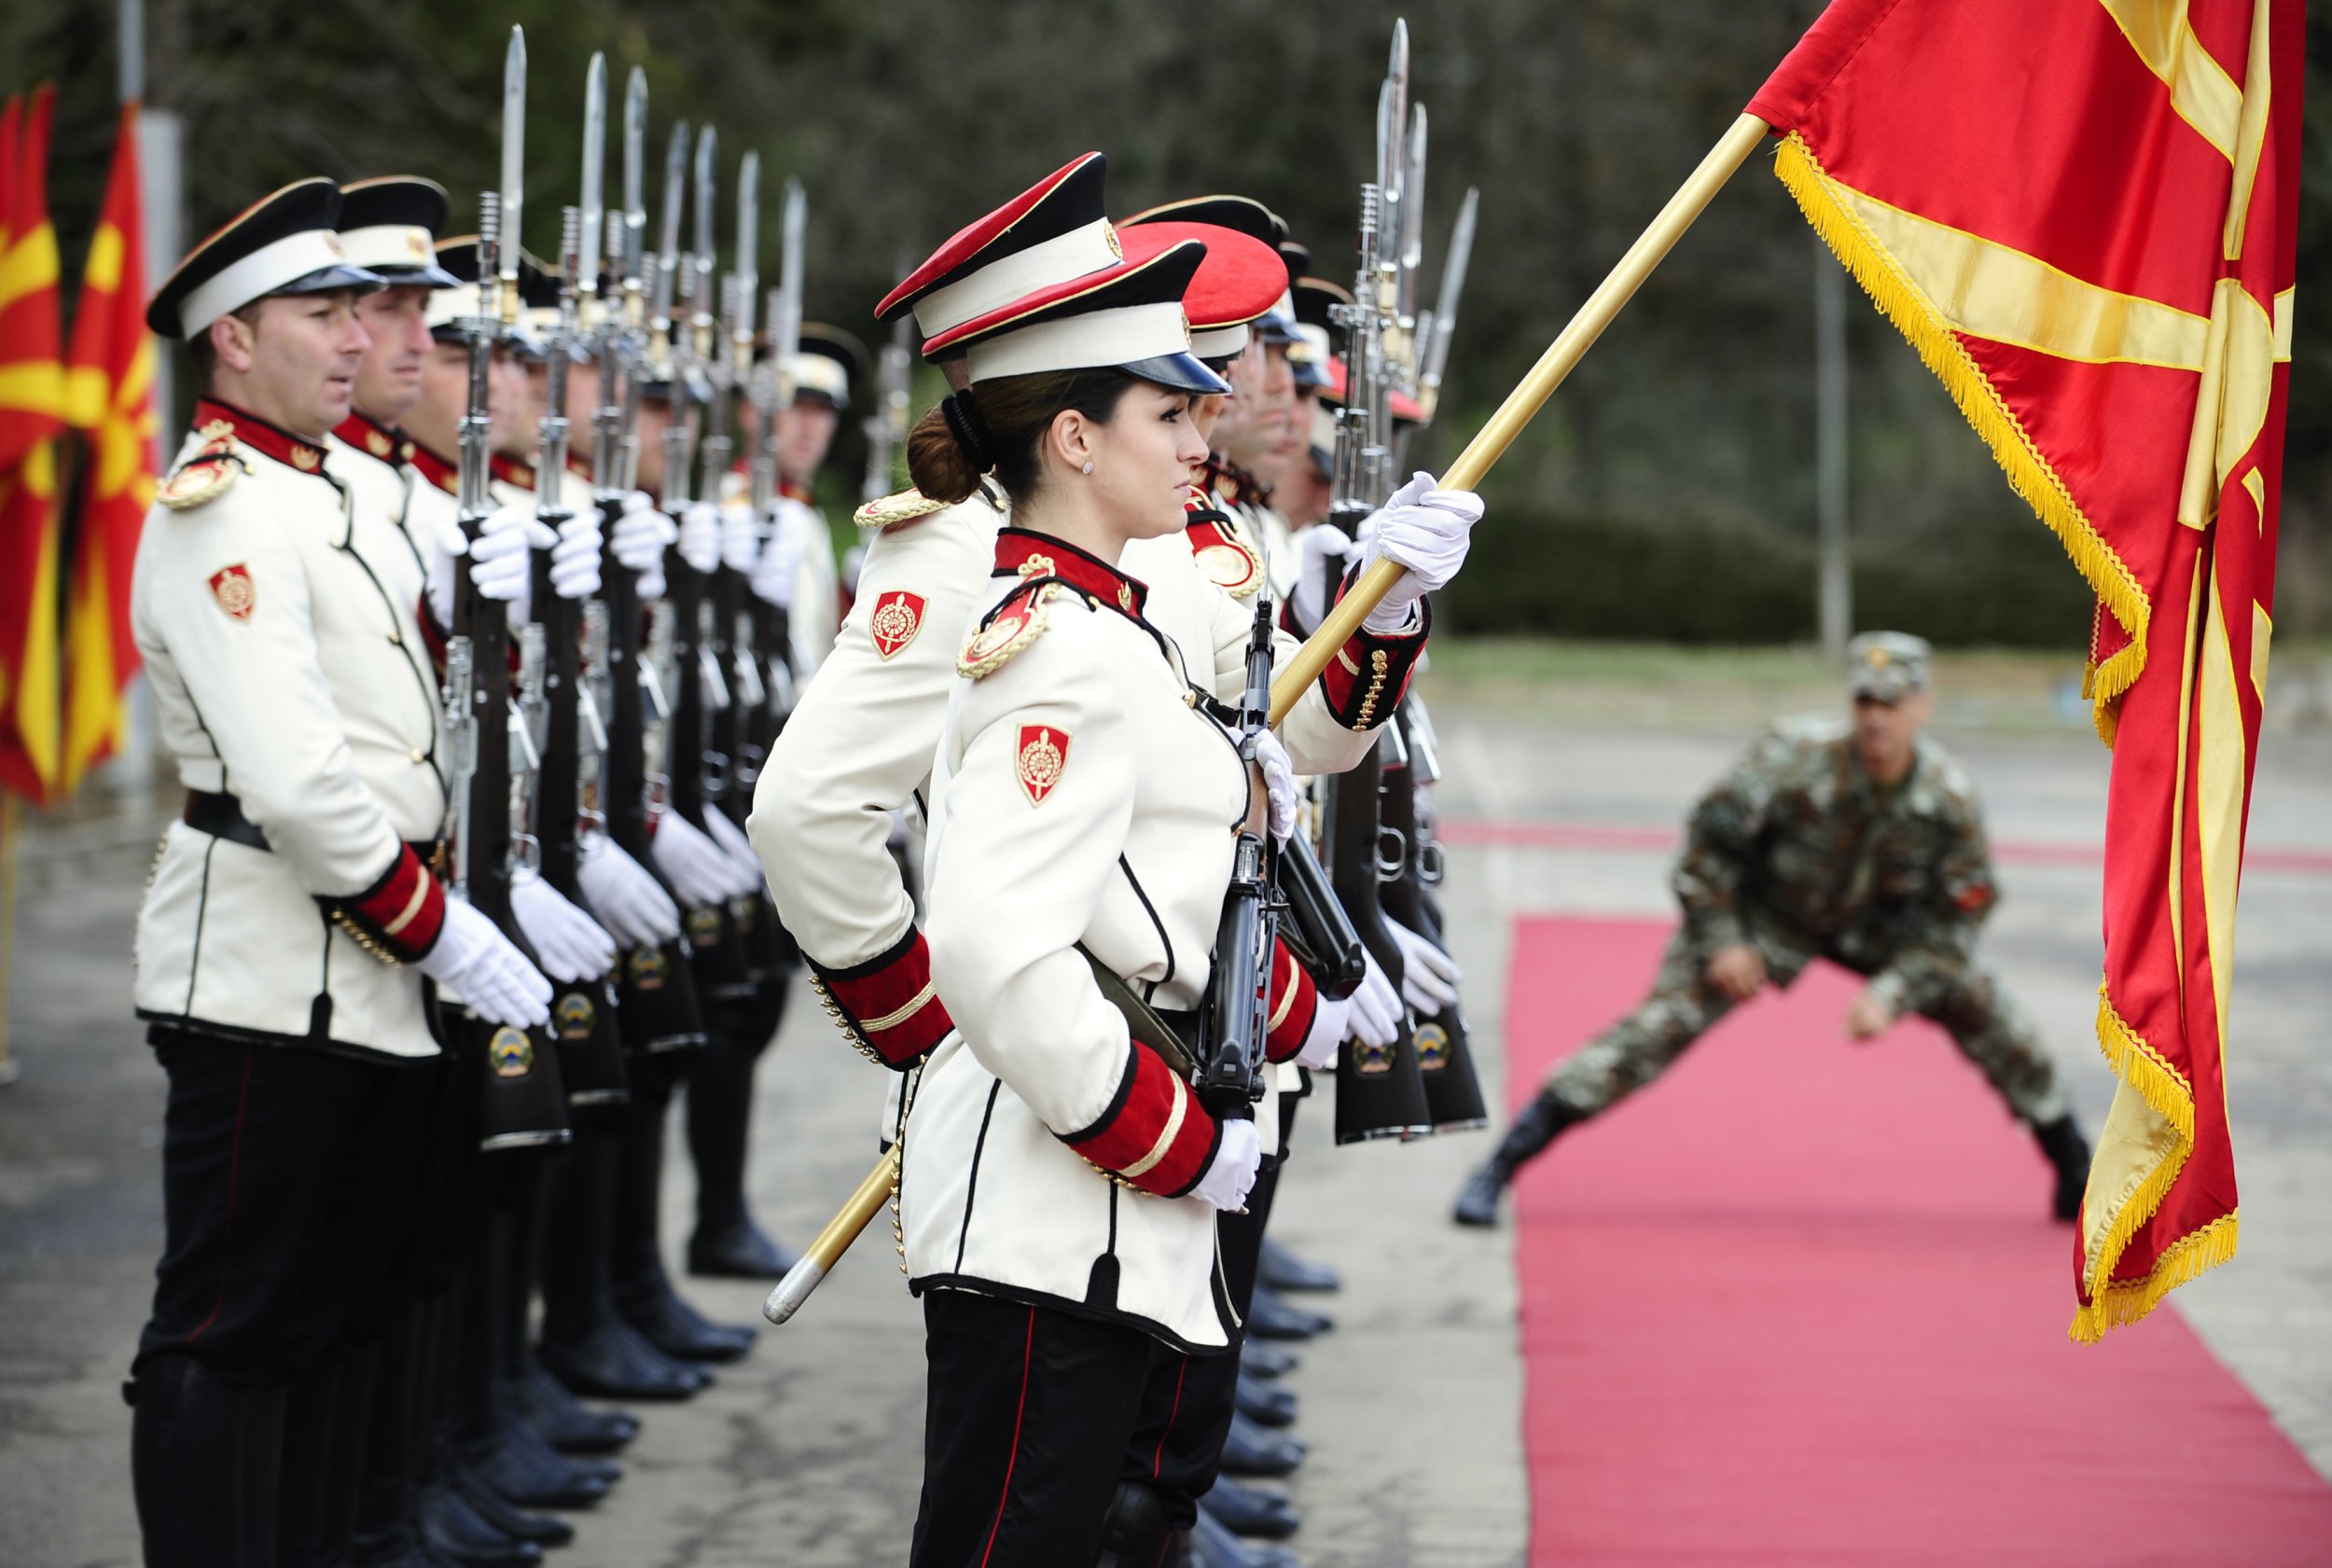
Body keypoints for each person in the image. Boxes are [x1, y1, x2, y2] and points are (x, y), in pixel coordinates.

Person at [124, 177, 551, 1566]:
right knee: (231, 1324)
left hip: (364, 968)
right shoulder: (221, 509)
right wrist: (444, 934)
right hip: (265, 971)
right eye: (320, 315)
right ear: (232, 340)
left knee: (335, 1312)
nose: (358, 340)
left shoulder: (339, 492)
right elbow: (303, 784)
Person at [1452, 631, 2094, 1228]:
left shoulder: (1947, 798)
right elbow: (1706, 849)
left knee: (1993, 1013)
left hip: (1882, 933)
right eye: (1866, 700)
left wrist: (1894, 991)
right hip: (1768, 918)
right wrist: (1722, 937)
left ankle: (2072, 1164)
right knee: (1657, 1027)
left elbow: (1959, 920)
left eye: (1893, 702)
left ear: (1922, 706)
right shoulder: (1793, 758)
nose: (1877, 717)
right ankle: (1503, 1164)